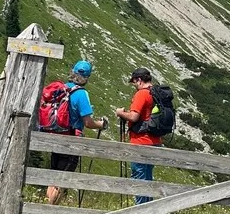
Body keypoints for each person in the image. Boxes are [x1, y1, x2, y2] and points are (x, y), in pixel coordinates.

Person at [43, 60, 108, 205]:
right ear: (87, 77)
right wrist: (101, 124)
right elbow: (88, 123)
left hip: (55, 136)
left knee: (53, 177)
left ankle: (46, 209)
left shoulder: (62, 88)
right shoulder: (81, 94)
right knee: (62, 180)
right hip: (71, 140)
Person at [114, 67, 162, 205]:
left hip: (141, 141)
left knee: (139, 177)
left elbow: (134, 117)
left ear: (139, 80)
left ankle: (140, 211)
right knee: (147, 177)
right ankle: (149, 208)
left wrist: (120, 113)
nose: (134, 85)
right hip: (155, 140)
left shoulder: (142, 94)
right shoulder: (156, 93)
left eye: (134, 82)